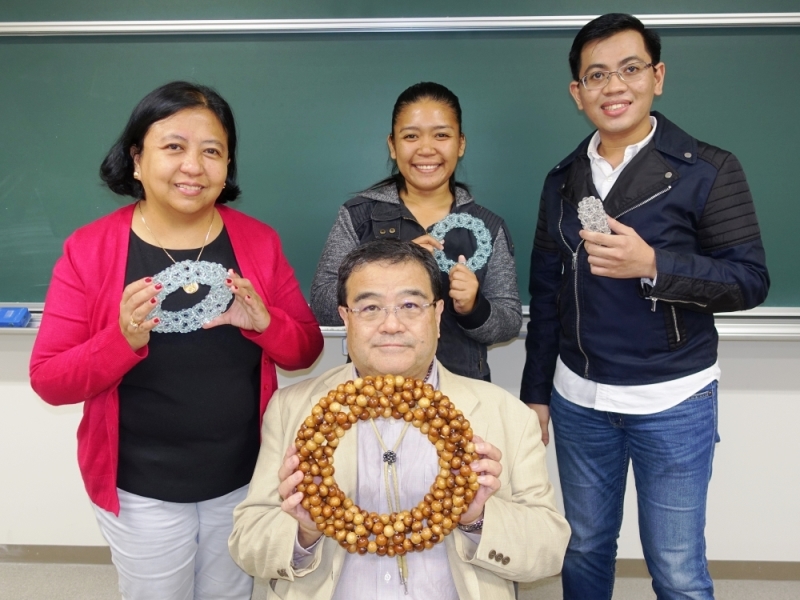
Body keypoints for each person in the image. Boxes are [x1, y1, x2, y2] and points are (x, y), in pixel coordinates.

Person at [29, 81, 324, 600]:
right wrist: (121, 340)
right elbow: (50, 379)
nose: (194, 166)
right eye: (173, 146)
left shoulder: (257, 241)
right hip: (139, 486)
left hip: (243, 475)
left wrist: (266, 324)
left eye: (212, 151)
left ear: (227, 166)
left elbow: (304, 351)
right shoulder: (90, 248)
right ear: (136, 159)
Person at [521, 13, 770, 600]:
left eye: (630, 69)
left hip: (673, 399)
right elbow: (547, 291)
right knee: (584, 547)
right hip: (579, 398)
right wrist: (536, 393)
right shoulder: (563, 179)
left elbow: (750, 281)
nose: (614, 86)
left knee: (677, 567)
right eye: (597, 75)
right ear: (577, 92)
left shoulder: (709, 169)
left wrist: (655, 264)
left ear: (657, 77)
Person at [230, 239, 570, 599]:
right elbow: (247, 543)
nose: (391, 325)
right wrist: (305, 532)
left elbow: (549, 552)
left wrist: (478, 518)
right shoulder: (292, 409)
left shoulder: (506, 414)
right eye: (370, 307)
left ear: (437, 315)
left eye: (410, 305)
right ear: (346, 317)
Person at [310, 82, 522, 382]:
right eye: (411, 136)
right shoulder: (359, 217)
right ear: (392, 145)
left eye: (441, 135)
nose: (426, 149)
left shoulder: (486, 226)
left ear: (461, 143)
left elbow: (509, 322)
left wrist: (474, 307)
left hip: (461, 391)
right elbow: (323, 306)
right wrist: (392, 269)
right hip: (372, 391)